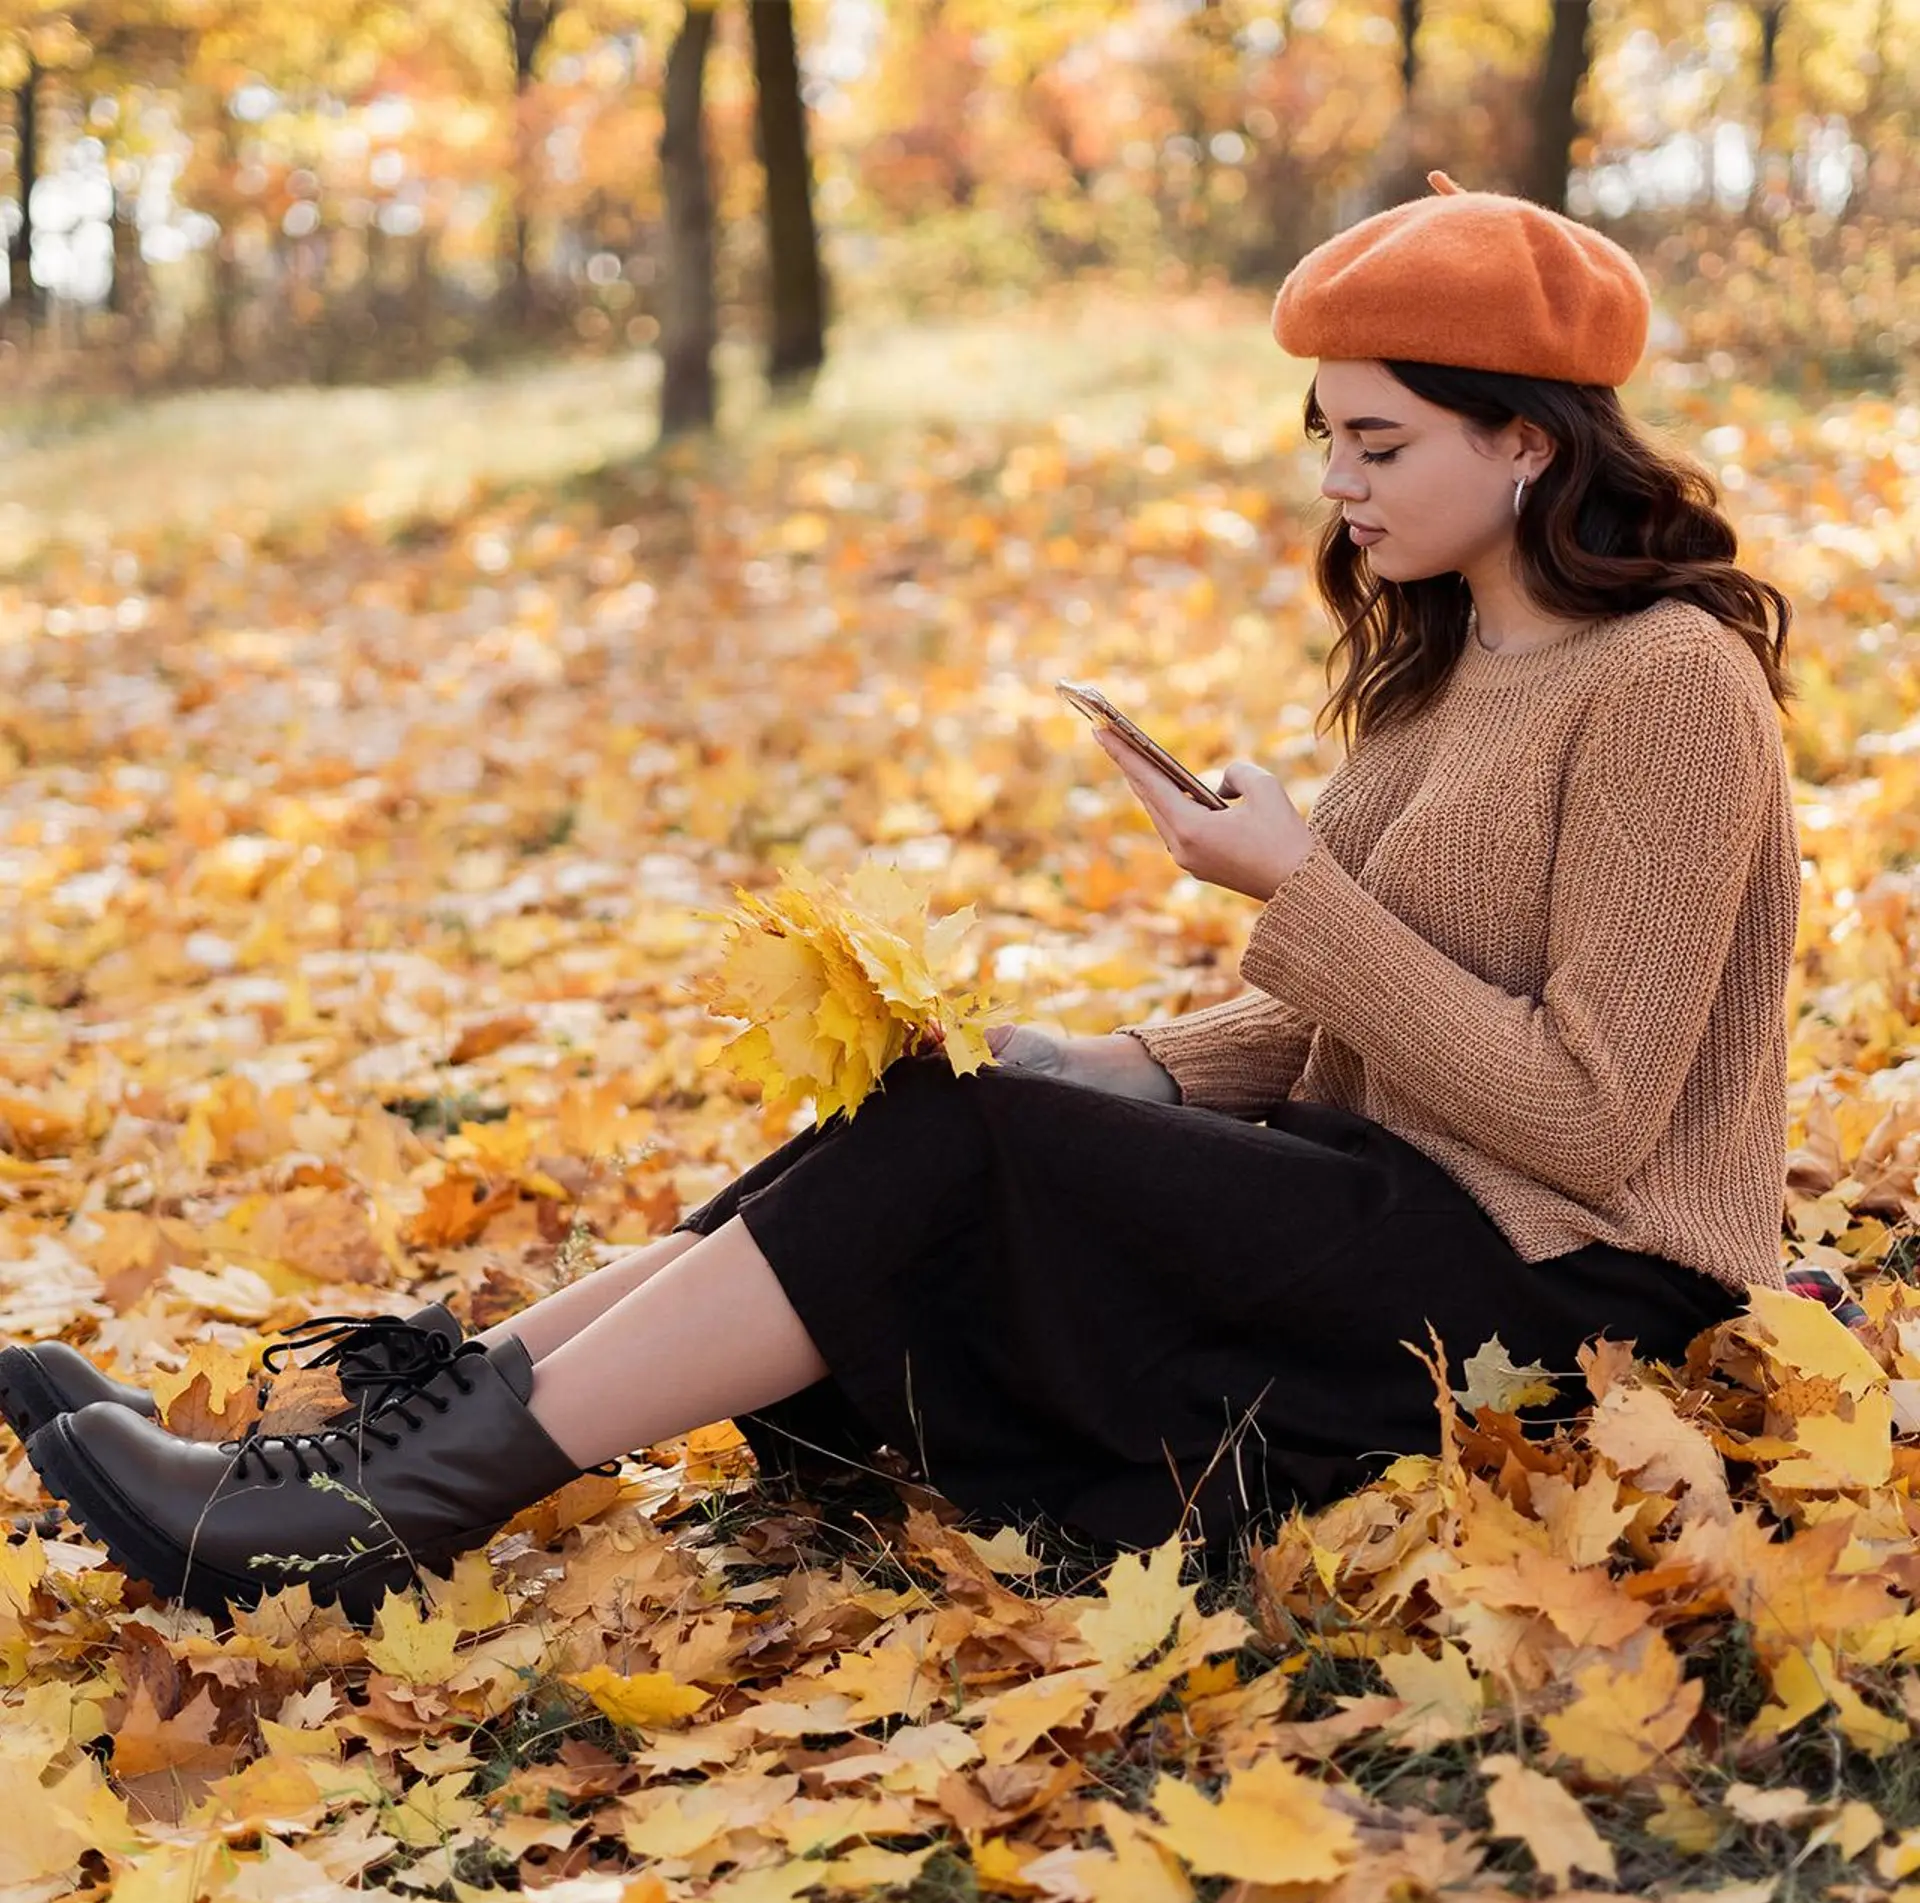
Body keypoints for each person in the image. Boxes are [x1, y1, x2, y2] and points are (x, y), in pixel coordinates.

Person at [6, 170, 1800, 1624]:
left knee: (967, 1160)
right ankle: (346, 1456)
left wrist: (1301, 888)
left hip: (1578, 1292)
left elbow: (1583, 1108)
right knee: (937, 1101)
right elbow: (1383, 1016)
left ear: (1532, 447)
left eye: (1381, 443)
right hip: (1405, 1200)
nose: (1335, 484)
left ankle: (381, 1515)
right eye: (1324, 436)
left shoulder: (1668, 684)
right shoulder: (1445, 662)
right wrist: (1135, 1065)